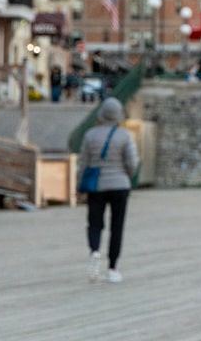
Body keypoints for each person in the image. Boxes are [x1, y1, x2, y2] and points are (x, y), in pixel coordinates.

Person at [78, 97, 138, 284]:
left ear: (102, 115)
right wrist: (125, 175)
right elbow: (132, 162)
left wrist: (78, 186)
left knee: (95, 223)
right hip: (120, 185)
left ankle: (95, 250)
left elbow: (83, 163)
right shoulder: (125, 135)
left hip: (97, 186)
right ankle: (112, 269)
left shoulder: (90, 135)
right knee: (116, 227)